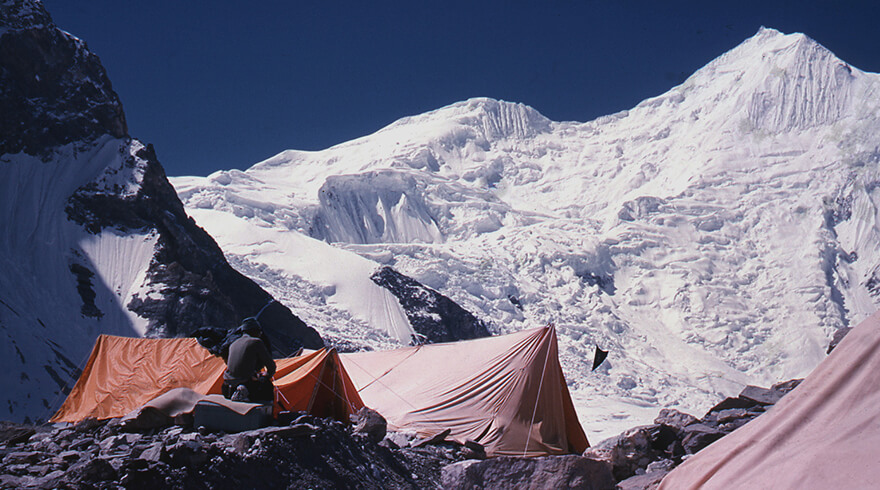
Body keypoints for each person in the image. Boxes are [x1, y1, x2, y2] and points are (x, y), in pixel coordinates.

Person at [222, 318, 276, 403]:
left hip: (226, 387)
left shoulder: (233, 343)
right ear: (254, 331)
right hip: (246, 384)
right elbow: (271, 366)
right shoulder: (256, 342)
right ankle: (244, 391)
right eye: (259, 331)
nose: (260, 334)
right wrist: (266, 375)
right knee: (267, 385)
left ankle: (238, 391)